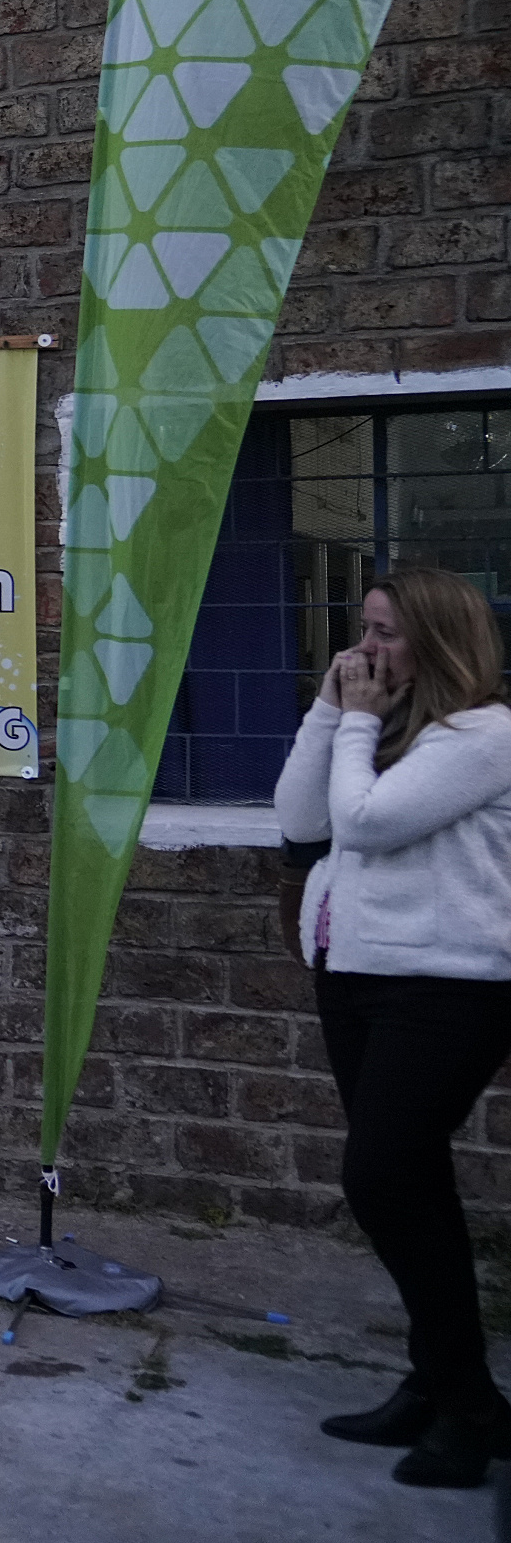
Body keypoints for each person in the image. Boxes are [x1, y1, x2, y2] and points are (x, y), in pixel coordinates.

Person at [274, 566, 511, 1488]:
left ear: (441, 643)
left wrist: (361, 726)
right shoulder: (384, 728)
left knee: (380, 1178)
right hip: (360, 977)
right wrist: (334, 710)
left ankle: (471, 1407)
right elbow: (302, 822)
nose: (364, 650)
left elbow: (365, 825)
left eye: (384, 634)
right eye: (360, 629)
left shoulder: (486, 735)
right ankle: (437, 1383)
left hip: (447, 987)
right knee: (413, 1185)